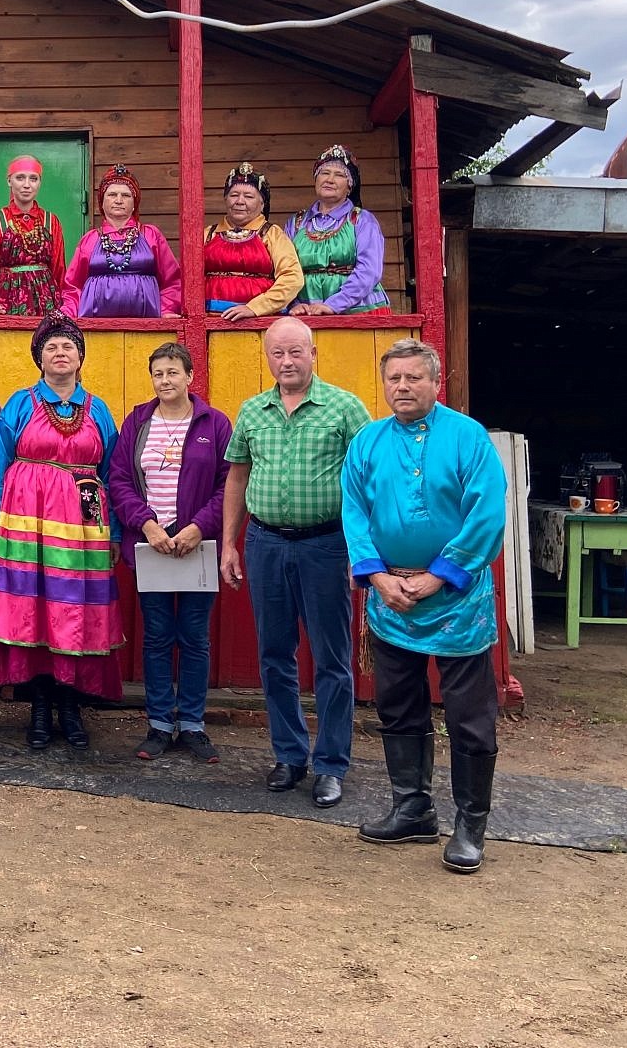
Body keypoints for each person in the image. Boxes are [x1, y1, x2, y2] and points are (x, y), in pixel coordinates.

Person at [346, 338, 508, 874]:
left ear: (436, 383)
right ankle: (412, 807)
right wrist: (375, 576)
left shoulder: (468, 438)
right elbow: (355, 512)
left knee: (469, 717)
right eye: (394, 378)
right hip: (390, 599)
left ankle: (470, 823)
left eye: (414, 378)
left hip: (458, 601)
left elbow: (486, 512)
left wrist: (440, 577)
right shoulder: (367, 442)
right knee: (398, 706)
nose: (403, 387)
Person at [221, 317, 370, 808]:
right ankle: (289, 754)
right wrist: (229, 543)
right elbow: (237, 480)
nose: (287, 362)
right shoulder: (252, 411)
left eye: (295, 353)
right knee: (274, 655)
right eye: (277, 354)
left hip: (326, 546)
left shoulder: (345, 409)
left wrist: (364, 552)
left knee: (331, 659)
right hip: (265, 545)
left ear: (313, 354)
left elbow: (367, 484)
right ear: (267, 357)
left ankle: (331, 764)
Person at [0, 314, 123, 749]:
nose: (60, 354)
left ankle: (70, 705)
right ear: (39, 359)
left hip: (82, 529)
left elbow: (113, 472)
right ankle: (39, 707)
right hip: (27, 526)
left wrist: (113, 532)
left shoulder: (97, 408)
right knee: (35, 609)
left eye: (68, 347)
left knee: (71, 607)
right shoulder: (20, 404)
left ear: (80, 357)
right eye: (51, 348)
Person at [107, 342, 233, 762]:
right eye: (158, 373)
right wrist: (146, 525)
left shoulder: (213, 424)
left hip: (197, 545)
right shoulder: (138, 421)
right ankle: (160, 723)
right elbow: (119, 480)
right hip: (151, 545)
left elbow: (228, 485)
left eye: (173, 372)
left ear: (190, 376)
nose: (165, 380)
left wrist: (199, 527)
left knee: (194, 637)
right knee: (158, 636)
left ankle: (193, 725)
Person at [62, 164, 182, 319]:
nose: (118, 200)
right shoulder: (89, 239)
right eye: (112, 195)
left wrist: (166, 310)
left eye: (126, 196)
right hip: (93, 327)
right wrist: (68, 315)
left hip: (149, 325)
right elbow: (73, 286)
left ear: (134, 204)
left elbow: (172, 281)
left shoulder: (151, 235)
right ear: (102, 203)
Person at [287, 145, 392, 316]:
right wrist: (293, 304)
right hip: (305, 312)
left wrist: (334, 305)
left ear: (349, 186)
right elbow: (284, 268)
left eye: (340, 175)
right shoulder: (296, 223)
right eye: (324, 173)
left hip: (358, 311)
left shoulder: (362, 220)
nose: (330, 179)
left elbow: (369, 270)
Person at [202, 163, 304, 322]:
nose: (240, 201)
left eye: (249, 196)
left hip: (260, 322)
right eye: (234, 195)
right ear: (225, 199)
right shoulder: (208, 234)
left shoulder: (272, 234)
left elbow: (292, 278)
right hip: (209, 320)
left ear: (262, 204)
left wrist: (255, 307)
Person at [0, 155, 67, 317]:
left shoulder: (50, 221)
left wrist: (64, 304)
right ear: (9, 181)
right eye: (20, 178)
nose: (27, 185)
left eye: (33, 179)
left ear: (39, 182)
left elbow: (59, 268)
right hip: (6, 300)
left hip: (46, 301)